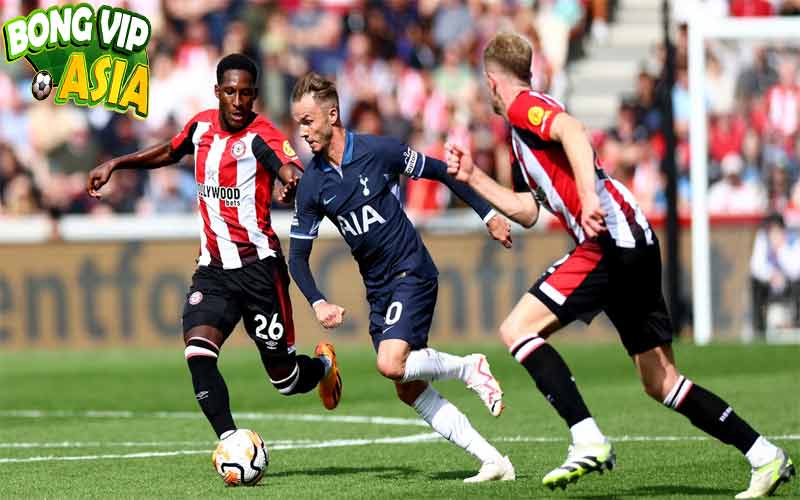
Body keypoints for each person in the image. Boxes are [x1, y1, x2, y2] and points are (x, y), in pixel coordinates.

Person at [445, 32, 795, 498]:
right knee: (661, 381)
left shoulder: (522, 106)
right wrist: (473, 178)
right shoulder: (520, 136)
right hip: (631, 239)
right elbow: (528, 210)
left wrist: (589, 196)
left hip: (609, 238)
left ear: (492, 80)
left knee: (517, 330)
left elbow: (572, 130)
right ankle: (764, 456)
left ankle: (587, 439)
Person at [86, 54, 342, 445]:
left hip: (260, 270)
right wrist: (117, 163)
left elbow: (289, 167)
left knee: (286, 380)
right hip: (214, 270)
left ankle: (323, 365)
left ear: (255, 96)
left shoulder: (262, 135)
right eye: (231, 92)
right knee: (198, 354)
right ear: (217, 92)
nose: (238, 102)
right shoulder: (201, 125)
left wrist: (288, 180)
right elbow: (170, 151)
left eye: (246, 94)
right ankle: (232, 442)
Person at [287, 72, 516, 483]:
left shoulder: (379, 151)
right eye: (298, 122)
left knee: (390, 364)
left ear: (332, 115)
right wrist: (317, 300)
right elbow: (298, 259)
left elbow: (443, 172)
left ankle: (468, 367)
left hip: (411, 270)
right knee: (408, 387)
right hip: (378, 290)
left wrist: (489, 215)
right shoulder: (313, 185)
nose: (302, 131)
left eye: (307, 121)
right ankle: (493, 460)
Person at [750, 213, 800, 335]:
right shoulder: (762, 238)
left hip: (790, 283)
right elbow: (756, 267)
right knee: (755, 284)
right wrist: (771, 274)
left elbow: (795, 270)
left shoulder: (794, 238)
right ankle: (759, 330)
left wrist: (780, 248)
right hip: (769, 283)